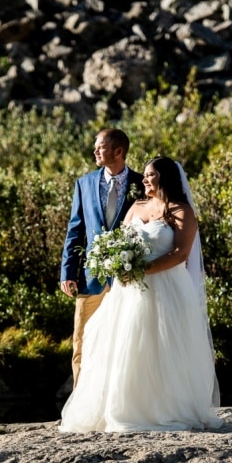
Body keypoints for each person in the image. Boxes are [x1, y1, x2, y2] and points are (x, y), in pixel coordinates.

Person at [59, 156, 222, 433]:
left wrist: (144, 269)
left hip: (166, 290)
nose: (144, 180)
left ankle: (163, 410)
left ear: (165, 178)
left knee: (160, 348)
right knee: (124, 345)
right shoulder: (137, 206)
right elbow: (121, 242)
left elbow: (180, 254)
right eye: (144, 175)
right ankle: (121, 407)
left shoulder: (181, 212)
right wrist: (113, 260)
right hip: (128, 291)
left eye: (150, 175)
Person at [60, 128, 144, 387]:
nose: (95, 151)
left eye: (100, 147)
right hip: (91, 278)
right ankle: (79, 404)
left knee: (124, 342)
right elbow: (75, 230)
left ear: (118, 151)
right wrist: (67, 272)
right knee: (82, 341)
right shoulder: (83, 183)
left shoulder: (142, 184)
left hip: (128, 278)